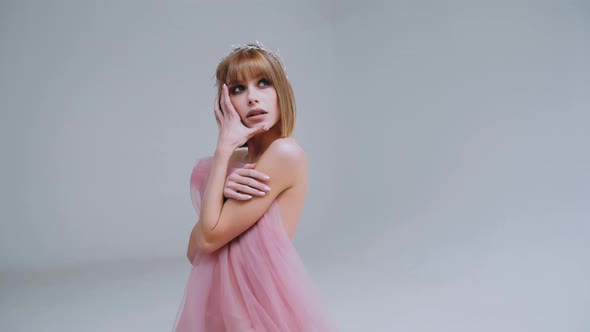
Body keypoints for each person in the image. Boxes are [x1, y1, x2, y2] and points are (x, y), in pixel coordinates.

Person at [172, 42, 335, 331]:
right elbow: (193, 251)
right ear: (225, 104)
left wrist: (222, 155)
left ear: (280, 92)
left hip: (258, 311)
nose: (252, 99)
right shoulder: (231, 164)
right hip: (219, 307)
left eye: (263, 83)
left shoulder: (285, 154)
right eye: (237, 89)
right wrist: (222, 169)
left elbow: (208, 240)